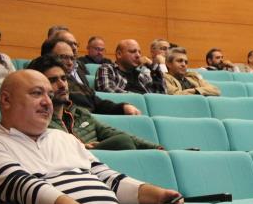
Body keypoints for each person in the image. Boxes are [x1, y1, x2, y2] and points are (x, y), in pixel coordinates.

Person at [0, 69, 182, 204]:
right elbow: (28, 190)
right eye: (37, 93)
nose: (47, 103)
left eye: (50, 96)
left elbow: (108, 178)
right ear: (5, 100)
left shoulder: (64, 138)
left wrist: (158, 195)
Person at [29, 55, 163, 151]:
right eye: (53, 80)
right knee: (123, 142)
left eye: (64, 79)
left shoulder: (80, 113)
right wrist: (82, 148)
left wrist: (157, 148)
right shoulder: (38, 122)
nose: (62, 85)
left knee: (123, 139)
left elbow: (114, 133)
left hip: (100, 167)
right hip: (74, 168)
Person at [40, 37, 140, 115]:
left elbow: (98, 103)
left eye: (72, 58)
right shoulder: (42, 84)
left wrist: (123, 107)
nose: (70, 63)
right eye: (63, 57)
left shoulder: (77, 84)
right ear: (47, 58)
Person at [96, 39, 167, 94]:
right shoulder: (107, 68)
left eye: (139, 52)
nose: (138, 55)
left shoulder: (142, 74)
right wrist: (139, 99)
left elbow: (161, 94)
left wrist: (152, 66)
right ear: (119, 54)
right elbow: (107, 89)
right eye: (133, 51)